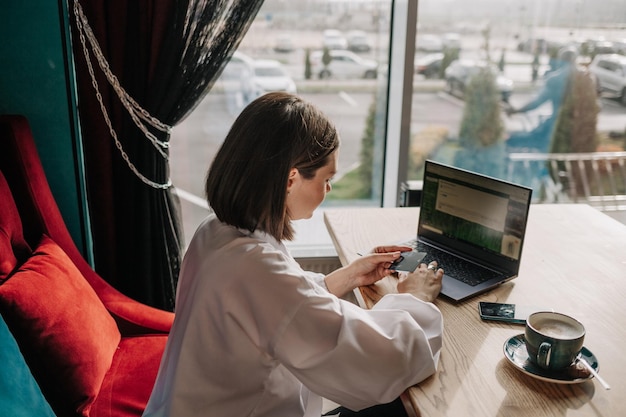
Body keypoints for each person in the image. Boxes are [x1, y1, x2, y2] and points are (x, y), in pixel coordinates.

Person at [142, 92, 444, 417]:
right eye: (327, 179)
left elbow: (283, 303)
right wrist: (415, 300)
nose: (329, 190)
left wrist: (353, 274)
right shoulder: (258, 271)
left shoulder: (215, 230)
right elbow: (383, 360)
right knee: (401, 407)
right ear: (291, 179)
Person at [505, 46, 579, 153]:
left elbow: (537, 102)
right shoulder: (587, 77)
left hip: (558, 126)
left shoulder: (555, 79)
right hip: (580, 129)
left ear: (561, 59)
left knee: (521, 139)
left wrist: (516, 110)